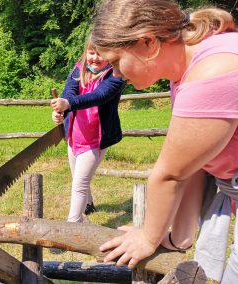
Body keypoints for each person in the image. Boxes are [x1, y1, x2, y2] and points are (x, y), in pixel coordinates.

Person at [91, 0, 238, 282]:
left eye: (115, 62)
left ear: (147, 42)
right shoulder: (190, 68)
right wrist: (177, 239)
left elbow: (169, 174)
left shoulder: (212, 71)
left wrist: (148, 237)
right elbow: (192, 166)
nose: (117, 74)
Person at [50, 34, 124, 224]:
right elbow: (69, 92)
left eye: (101, 54)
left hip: (95, 139)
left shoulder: (116, 75)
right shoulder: (79, 68)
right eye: (91, 53)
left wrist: (68, 103)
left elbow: (98, 96)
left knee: (79, 184)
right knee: (78, 176)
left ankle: (73, 225)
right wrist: (61, 111)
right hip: (74, 135)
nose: (95, 58)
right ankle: (88, 204)